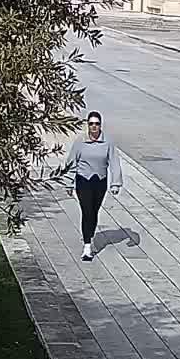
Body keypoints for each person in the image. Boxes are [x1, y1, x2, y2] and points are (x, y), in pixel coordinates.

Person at [56, 111, 122, 262]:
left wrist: (115, 183)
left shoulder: (108, 142)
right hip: (83, 180)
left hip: (100, 181)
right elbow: (71, 162)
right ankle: (87, 246)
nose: (94, 126)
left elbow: (114, 162)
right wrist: (68, 182)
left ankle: (90, 236)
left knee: (94, 211)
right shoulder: (80, 142)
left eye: (97, 124)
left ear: (100, 125)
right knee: (86, 211)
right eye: (91, 123)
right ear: (88, 125)